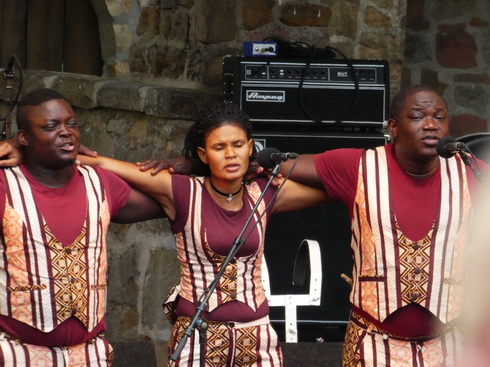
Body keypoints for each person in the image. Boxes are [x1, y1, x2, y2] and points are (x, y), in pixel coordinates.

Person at [141, 85, 487, 366]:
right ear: (392, 127)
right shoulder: (357, 166)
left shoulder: (473, 173)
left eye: (439, 117)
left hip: (449, 347)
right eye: (418, 116)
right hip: (374, 345)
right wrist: (196, 165)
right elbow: (273, 167)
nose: (431, 124)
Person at [75, 103, 329, 366]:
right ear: (203, 154)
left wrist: (276, 168)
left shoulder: (264, 193)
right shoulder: (182, 191)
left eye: (238, 145)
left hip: (258, 338)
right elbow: (103, 163)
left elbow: (335, 184)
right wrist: (45, 151)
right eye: (219, 147)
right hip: (198, 337)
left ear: (251, 147)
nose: (231, 154)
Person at [0, 88, 165, 366]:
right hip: (19, 355)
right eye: (50, 126)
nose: (66, 132)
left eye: (71, 124)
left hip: (89, 355)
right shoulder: (5, 185)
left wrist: (185, 165)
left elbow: (177, 201)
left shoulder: (99, 182)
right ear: (24, 138)